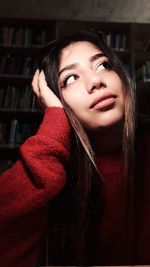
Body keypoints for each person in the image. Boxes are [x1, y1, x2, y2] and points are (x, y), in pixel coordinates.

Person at [0, 29, 150, 267]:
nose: (95, 81)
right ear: (55, 100)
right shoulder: (56, 176)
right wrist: (55, 121)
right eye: (70, 78)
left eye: (103, 65)